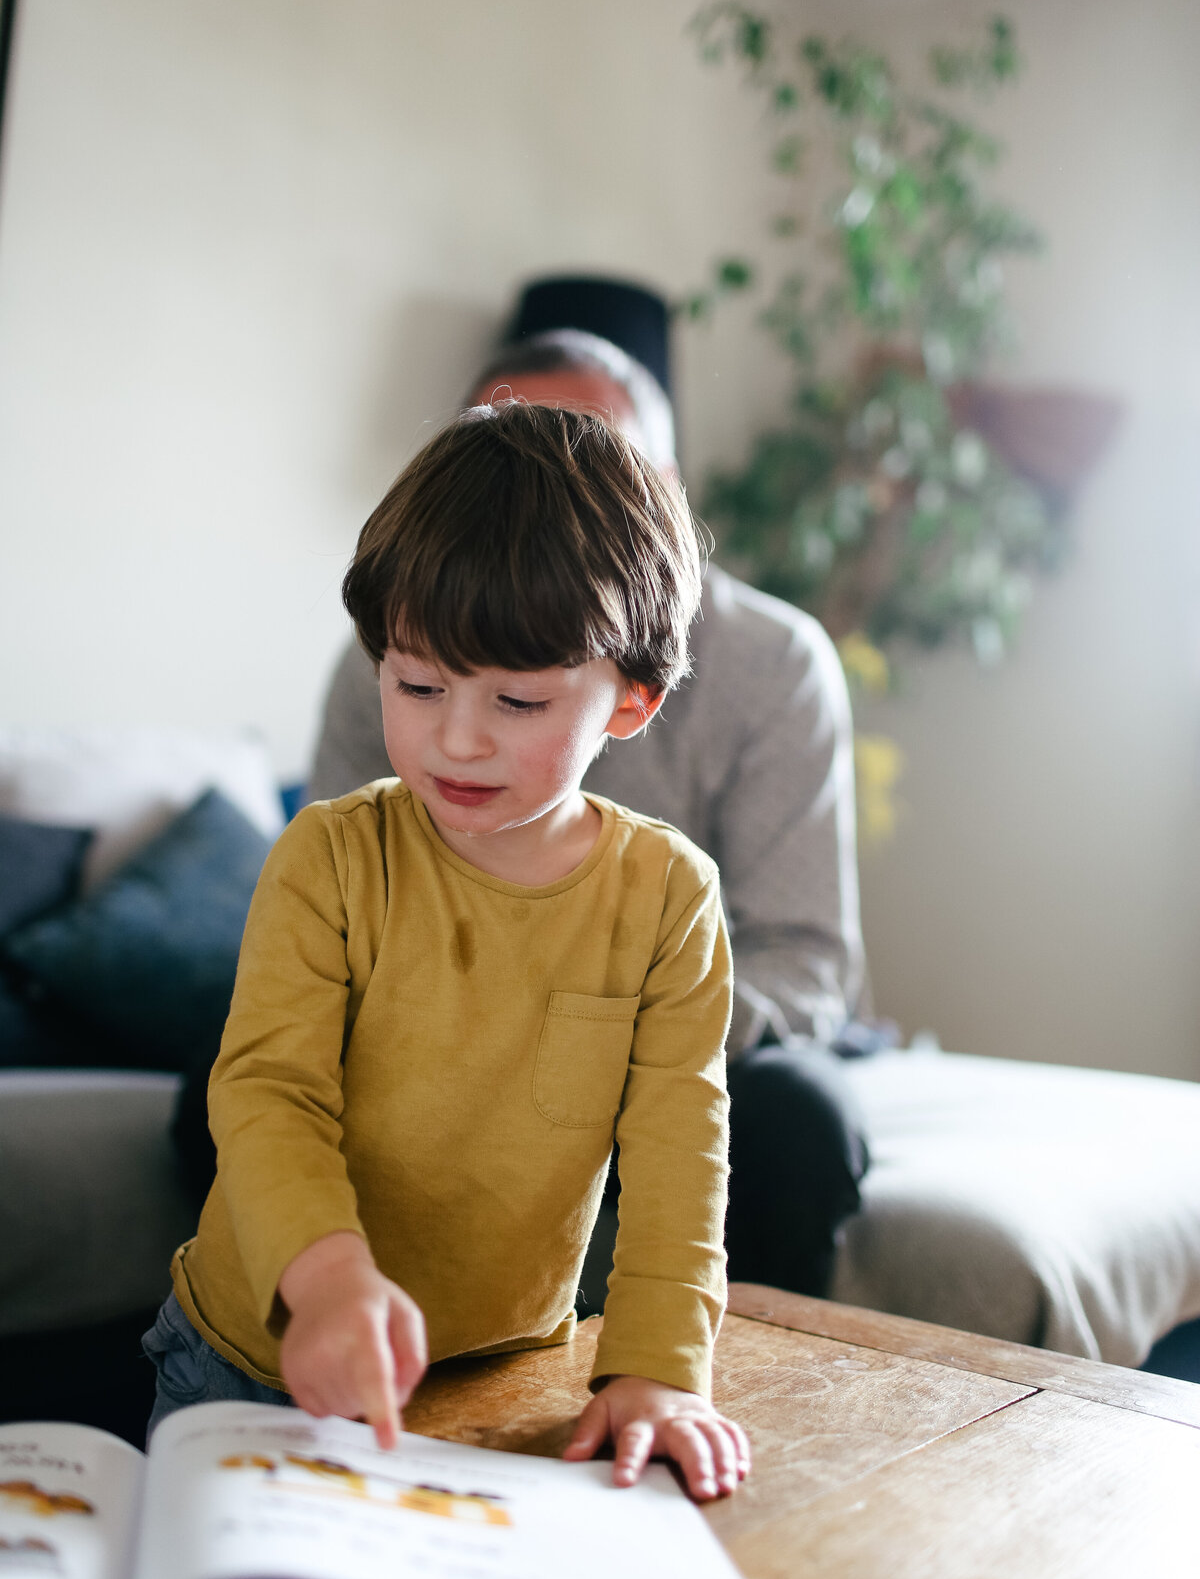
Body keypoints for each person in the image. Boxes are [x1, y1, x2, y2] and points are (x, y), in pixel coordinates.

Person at [144, 402, 749, 1501]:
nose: (457, 737)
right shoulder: (330, 858)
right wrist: (328, 1281)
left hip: (501, 1375)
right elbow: (267, 1092)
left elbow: (678, 1152)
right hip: (255, 1355)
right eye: (416, 684)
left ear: (631, 701)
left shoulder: (667, 900)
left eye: (517, 700)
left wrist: (660, 1367)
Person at [306, 328, 870, 1300]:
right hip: (423, 1025)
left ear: (667, 493)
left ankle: (689, 1404)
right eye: (423, 690)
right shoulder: (394, 656)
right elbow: (338, 914)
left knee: (801, 1127)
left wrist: (599, 1038)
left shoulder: (775, 667)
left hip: (679, 1038)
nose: (547, 516)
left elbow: (806, 958)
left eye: (597, 470)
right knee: (218, 1088)